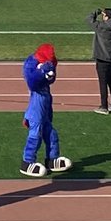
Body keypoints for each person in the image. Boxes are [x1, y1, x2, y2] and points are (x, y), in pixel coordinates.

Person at [20, 43, 72, 177]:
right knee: (35, 135)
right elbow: (32, 82)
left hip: (45, 107)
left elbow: (51, 79)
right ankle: (27, 161)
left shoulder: (46, 86)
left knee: (51, 134)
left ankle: (52, 159)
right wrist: (41, 72)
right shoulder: (32, 67)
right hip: (36, 109)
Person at [88, 7, 111, 114]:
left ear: (107, 16)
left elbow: (89, 20)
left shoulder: (102, 27)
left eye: (103, 15)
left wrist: (95, 12)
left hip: (102, 58)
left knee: (103, 83)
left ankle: (104, 106)